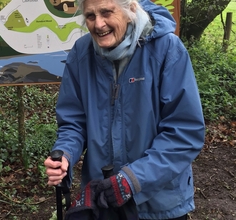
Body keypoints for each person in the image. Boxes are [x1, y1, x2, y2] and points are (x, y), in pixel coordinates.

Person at [44, 0, 205, 219]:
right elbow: (74, 123)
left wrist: (132, 179)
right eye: (90, 16)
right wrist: (65, 154)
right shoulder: (82, 53)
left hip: (159, 204)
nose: (99, 24)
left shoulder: (166, 48)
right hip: (103, 199)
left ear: (130, 10)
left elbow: (185, 131)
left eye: (106, 12)